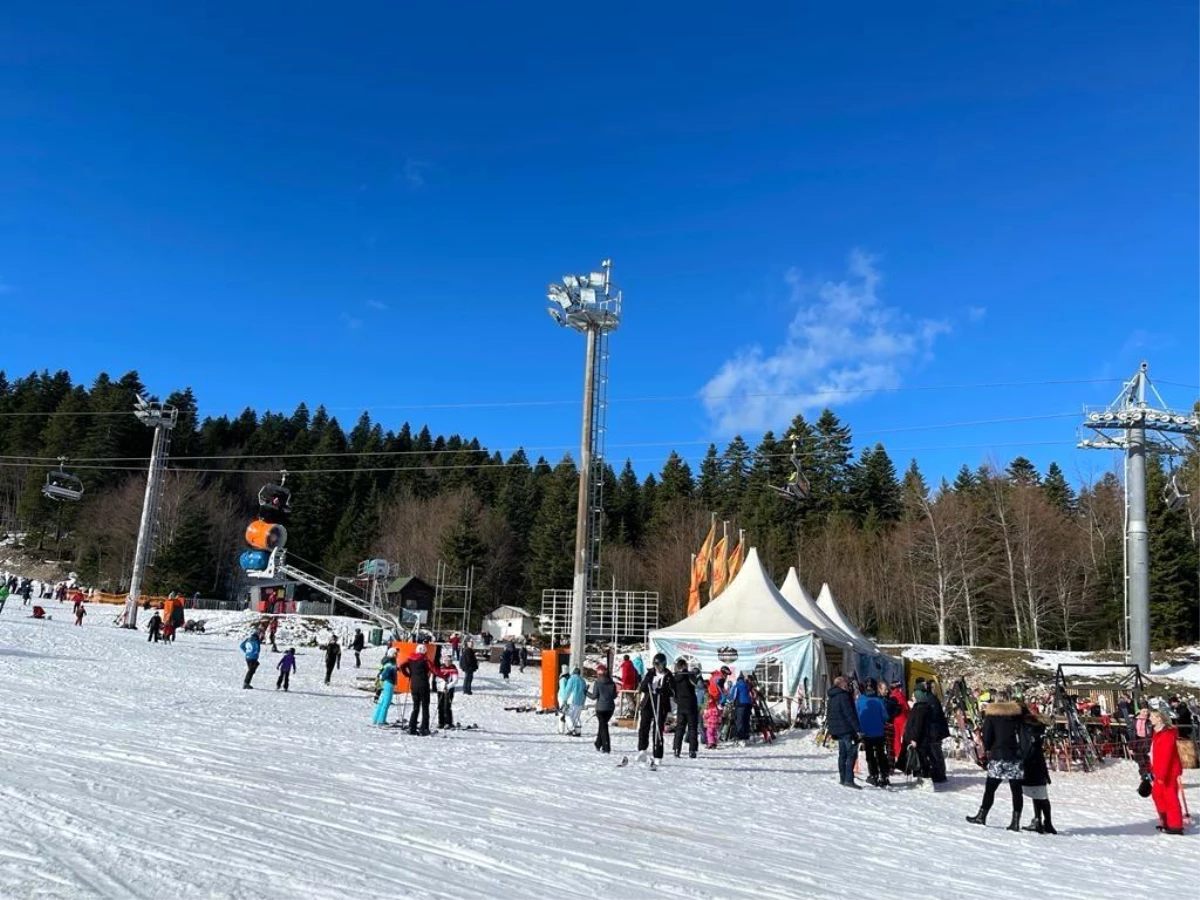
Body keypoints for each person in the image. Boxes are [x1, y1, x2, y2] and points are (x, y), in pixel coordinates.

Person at [966, 691, 1025, 830]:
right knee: (1016, 790)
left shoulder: (991, 716)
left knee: (990, 788)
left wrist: (987, 747)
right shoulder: (1016, 716)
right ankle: (1015, 821)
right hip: (1014, 755)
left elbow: (987, 738)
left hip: (998, 755)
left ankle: (982, 815)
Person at [1149, 710, 1185, 835]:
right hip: (1158, 771)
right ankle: (1166, 820)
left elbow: (1166, 757)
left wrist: (1161, 775)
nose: (1150, 718)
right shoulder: (1157, 733)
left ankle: (1175, 825)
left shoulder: (1167, 734)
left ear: (1160, 718)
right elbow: (1154, 753)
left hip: (1168, 772)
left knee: (1170, 798)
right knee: (1157, 795)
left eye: (1153, 716)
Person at [1019, 711, 1055, 834]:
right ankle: (1042, 821)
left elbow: (1028, 748)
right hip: (1039, 765)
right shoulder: (1038, 728)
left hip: (1030, 764)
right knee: (1040, 794)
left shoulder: (1026, 728)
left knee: (1039, 794)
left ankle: (1043, 822)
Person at [637, 653, 674, 764]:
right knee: (644, 727)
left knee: (657, 730)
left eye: (659, 664)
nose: (657, 666)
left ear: (664, 664)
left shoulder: (668, 676)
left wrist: (662, 691)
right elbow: (642, 688)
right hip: (648, 703)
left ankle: (657, 755)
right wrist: (646, 682)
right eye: (655, 664)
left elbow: (672, 691)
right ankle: (642, 750)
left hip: (661, 704)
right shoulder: (650, 673)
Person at [826, 676, 862, 789]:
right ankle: (849, 779)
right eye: (846, 683)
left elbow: (829, 715)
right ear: (842, 684)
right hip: (847, 729)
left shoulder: (832, 697)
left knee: (842, 755)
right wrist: (858, 729)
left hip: (838, 730)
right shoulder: (844, 696)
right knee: (851, 754)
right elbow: (849, 714)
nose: (848, 685)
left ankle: (843, 778)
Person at [856, 677, 889, 787]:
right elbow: (885, 716)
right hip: (879, 732)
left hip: (866, 732)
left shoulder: (860, 700)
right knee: (881, 754)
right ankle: (884, 776)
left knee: (870, 755)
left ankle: (873, 775)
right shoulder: (879, 700)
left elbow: (857, 714)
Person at [400, 644, 433, 735]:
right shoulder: (425, 660)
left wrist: (408, 674)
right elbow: (434, 669)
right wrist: (443, 676)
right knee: (425, 707)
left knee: (416, 707)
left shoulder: (411, 659)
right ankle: (424, 728)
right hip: (424, 685)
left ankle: (412, 727)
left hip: (414, 685)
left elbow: (402, 666)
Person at [671, 659, 700, 758]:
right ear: (683, 666)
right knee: (692, 728)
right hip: (690, 705)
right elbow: (697, 684)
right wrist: (697, 675)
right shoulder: (688, 676)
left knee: (680, 728)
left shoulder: (675, 677)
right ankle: (692, 750)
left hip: (681, 706)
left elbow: (673, 692)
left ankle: (676, 749)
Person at [588, 663, 618, 753]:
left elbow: (594, 696)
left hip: (601, 708)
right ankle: (598, 743)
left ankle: (606, 747)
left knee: (603, 726)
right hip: (610, 708)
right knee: (603, 725)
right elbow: (614, 696)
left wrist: (586, 692)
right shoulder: (612, 683)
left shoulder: (597, 683)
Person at [560, 667, 587, 737]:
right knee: (576, 717)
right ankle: (578, 731)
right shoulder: (583, 681)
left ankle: (572, 729)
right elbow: (585, 693)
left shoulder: (571, 679)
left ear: (573, 672)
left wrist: (564, 700)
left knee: (567, 715)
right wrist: (583, 702)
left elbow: (567, 690)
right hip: (580, 702)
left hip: (572, 701)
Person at [373, 651, 398, 725]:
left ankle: (376, 718)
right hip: (389, 683)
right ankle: (381, 720)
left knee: (382, 701)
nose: (396, 655)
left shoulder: (388, 662)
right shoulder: (390, 664)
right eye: (395, 653)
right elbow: (384, 674)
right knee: (386, 702)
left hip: (387, 683)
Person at [435, 654, 459, 729]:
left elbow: (455, 680)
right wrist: (441, 684)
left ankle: (448, 722)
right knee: (440, 706)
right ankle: (440, 722)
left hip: (449, 690)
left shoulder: (453, 668)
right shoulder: (441, 667)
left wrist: (447, 686)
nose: (447, 662)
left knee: (447, 706)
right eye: (446, 661)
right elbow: (437, 678)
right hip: (440, 689)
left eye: (449, 661)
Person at [889, 681, 910, 765]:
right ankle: (903, 757)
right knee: (903, 739)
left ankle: (898, 755)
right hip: (902, 719)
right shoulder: (900, 695)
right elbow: (906, 708)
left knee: (896, 739)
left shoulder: (891, 696)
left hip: (894, 720)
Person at [730, 672, 753, 744]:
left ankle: (740, 737)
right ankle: (746, 736)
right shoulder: (747, 685)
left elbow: (731, 696)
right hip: (748, 704)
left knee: (740, 721)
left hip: (740, 704)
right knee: (746, 720)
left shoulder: (736, 685)